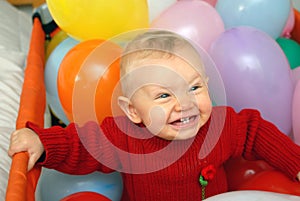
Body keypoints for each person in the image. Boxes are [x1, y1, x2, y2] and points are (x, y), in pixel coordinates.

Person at [9, 30, 300, 201]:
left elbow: (255, 130)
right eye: (164, 95)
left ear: (207, 85)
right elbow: (82, 142)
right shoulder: (125, 136)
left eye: (194, 87)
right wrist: (43, 142)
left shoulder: (218, 127)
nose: (185, 104)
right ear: (133, 111)